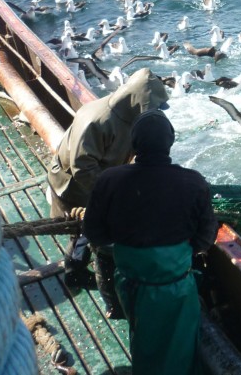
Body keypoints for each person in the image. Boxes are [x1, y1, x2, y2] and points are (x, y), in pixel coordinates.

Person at [83, 110, 218, 375]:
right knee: (181, 349)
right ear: (171, 142)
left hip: (132, 284)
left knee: (144, 341)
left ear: (134, 145)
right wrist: (181, 253)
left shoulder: (109, 179)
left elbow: (94, 233)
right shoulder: (193, 182)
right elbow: (206, 235)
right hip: (177, 287)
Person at [47, 67, 170, 312]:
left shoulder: (130, 117)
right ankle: (85, 281)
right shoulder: (98, 120)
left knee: (87, 230)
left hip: (103, 178)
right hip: (76, 185)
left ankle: (76, 270)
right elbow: (81, 168)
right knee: (87, 232)